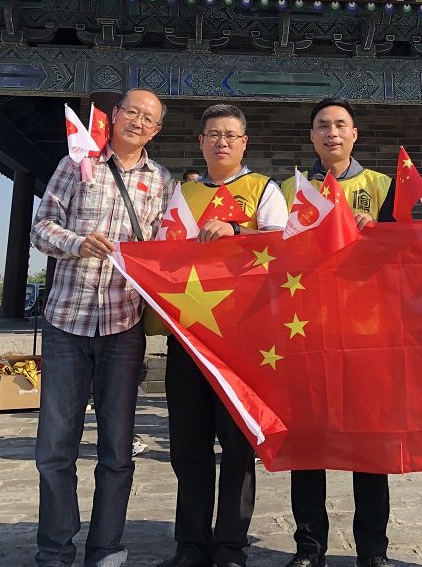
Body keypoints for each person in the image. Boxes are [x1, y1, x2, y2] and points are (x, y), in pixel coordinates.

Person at [31, 89, 175, 567]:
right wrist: (76, 242)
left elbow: (169, 247)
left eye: (148, 118)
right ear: (113, 116)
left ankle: (106, 547)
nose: (138, 121)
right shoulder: (77, 162)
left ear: (157, 130)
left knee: (116, 449)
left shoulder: (161, 180)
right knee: (55, 448)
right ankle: (55, 549)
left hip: (123, 325)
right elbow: (41, 226)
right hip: (67, 322)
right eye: (131, 111)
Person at [158, 103, 288, 567]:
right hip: (189, 335)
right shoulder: (182, 194)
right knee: (187, 444)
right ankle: (190, 544)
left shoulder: (264, 189)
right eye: (213, 134)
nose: (222, 142)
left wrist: (236, 229)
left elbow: (282, 245)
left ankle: (231, 544)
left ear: (244, 142)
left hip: (243, 338)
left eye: (231, 135)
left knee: (237, 445)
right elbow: (163, 251)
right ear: (201, 142)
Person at [281, 98, 394, 567]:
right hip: (306, 329)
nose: (332, 133)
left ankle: (373, 550)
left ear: (354, 134)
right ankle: (309, 548)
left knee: (370, 445)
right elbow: (270, 253)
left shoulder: (382, 186)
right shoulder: (290, 189)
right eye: (323, 126)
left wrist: (379, 230)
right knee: (307, 443)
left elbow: (410, 250)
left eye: (340, 125)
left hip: (369, 331)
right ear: (311, 135)